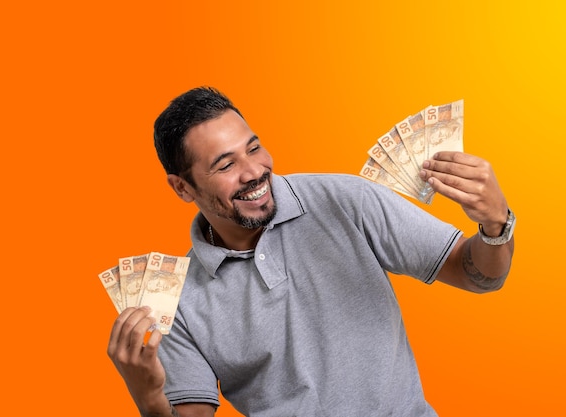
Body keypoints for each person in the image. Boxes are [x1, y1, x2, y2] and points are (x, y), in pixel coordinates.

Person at [107, 86, 515, 417]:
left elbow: (477, 273)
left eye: (253, 148)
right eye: (225, 165)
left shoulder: (347, 201)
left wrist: (495, 226)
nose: (254, 172)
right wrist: (151, 399)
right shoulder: (177, 302)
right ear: (182, 188)